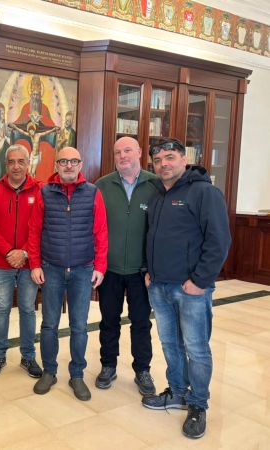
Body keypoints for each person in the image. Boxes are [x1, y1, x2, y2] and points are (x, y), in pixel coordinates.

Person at [142, 138, 231, 440]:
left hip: (190, 288)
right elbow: (152, 236)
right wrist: (148, 271)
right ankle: (178, 392)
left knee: (196, 348)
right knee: (170, 344)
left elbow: (219, 241)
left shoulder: (204, 192)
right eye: (157, 160)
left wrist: (200, 281)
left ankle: (198, 404)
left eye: (170, 157)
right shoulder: (157, 194)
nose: (163, 164)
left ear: (184, 159)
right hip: (159, 286)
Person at [28, 147, 108, 400]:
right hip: (51, 269)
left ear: (81, 164)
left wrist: (100, 266)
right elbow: (34, 231)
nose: (69, 165)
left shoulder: (93, 192)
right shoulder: (44, 192)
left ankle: (77, 375)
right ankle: (49, 372)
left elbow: (101, 232)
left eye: (74, 161)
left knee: (79, 326)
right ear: (57, 165)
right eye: (64, 161)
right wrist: (35, 264)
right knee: (49, 324)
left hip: (83, 270)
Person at [94, 136, 157, 395]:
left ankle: (142, 370)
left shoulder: (155, 185)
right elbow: (94, 227)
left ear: (140, 152)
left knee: (141, 322)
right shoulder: (102, 185)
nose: (122, 156)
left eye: (127, 150)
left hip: (141, 272)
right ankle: (108, 365)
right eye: (118, 152)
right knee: (108, 321)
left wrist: (153, 267)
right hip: (109, 269)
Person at [0, 144, 43, 378]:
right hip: (1, 261)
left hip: (30, 263)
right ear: (5, 164)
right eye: (11, 161)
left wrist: (24, 252)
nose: (16, 166)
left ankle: (28, 356)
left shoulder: (40, 190)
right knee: (1, 309)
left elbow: (42, 226)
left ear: (28, 163)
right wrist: (9, 251)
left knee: (28, 309)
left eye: (21, 161)